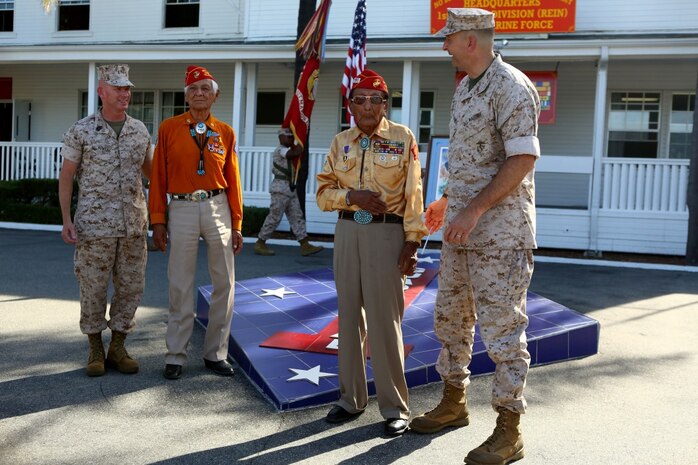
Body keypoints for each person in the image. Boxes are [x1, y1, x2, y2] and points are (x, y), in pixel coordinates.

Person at [408, 9, 541, 465]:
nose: (444, 47)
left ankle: (509, 430)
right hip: (460, 229)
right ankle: (453, 402)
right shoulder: (465, 89)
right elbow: (470, 159)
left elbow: (522, 160)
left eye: (449, 40)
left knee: (504, 331)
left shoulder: (512, 87)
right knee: (451, 318)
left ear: (470, 40)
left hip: (500, 235)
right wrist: (448, 201)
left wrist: (475, 209)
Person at [316, 69, 428, 436]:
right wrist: (351, 197)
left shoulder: (402, 138)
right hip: (348, 231)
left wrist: (412, 242)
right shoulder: (340, 142)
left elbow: (413, 195)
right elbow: (322, 194)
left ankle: (395, 406)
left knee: (385, 321)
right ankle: (350, 400)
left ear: (385, 104)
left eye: (375, 99)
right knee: (348, 318)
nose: (367, 105)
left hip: (386, 235)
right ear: (350, 105)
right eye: (359, 99)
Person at [148, 65, 244, 380]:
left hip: (218, 207)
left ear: (215, 96)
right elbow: (158, 177)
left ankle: (216, 354)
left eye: (205, 88)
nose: (199, 93)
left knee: (224, 283)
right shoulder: (169, 128)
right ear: (185, 95)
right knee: (180, 283)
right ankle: (175, 355)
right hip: (182, 207)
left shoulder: (225, 132)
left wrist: (238, 223)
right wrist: (158, 219)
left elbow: (234, 179)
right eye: (193, 89)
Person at [58, 64, 153, 377]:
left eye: (127, 88)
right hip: (94, 226)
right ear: (102, 91)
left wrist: (165, 212)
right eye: (118, 88)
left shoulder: (140, 130)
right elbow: (67, 176)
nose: (124, 93)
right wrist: (66, 219)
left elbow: (153, 174)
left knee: (131, 288)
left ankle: (118, 346)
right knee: (93, 287)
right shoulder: (82, 130)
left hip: (133, 227)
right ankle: (95, 348)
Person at [254, 127, 324, 257]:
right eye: (288, 136)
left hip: (290, 189)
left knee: (297, 216)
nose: (291, 139)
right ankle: (260, 242)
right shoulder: (280, 150)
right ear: (281, 137)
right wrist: (300, 143)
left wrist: (298, 143)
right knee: (274, 217)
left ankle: (304, 244)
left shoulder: (288, 149)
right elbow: (294, 153)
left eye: (292, 136)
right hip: (280, 189)